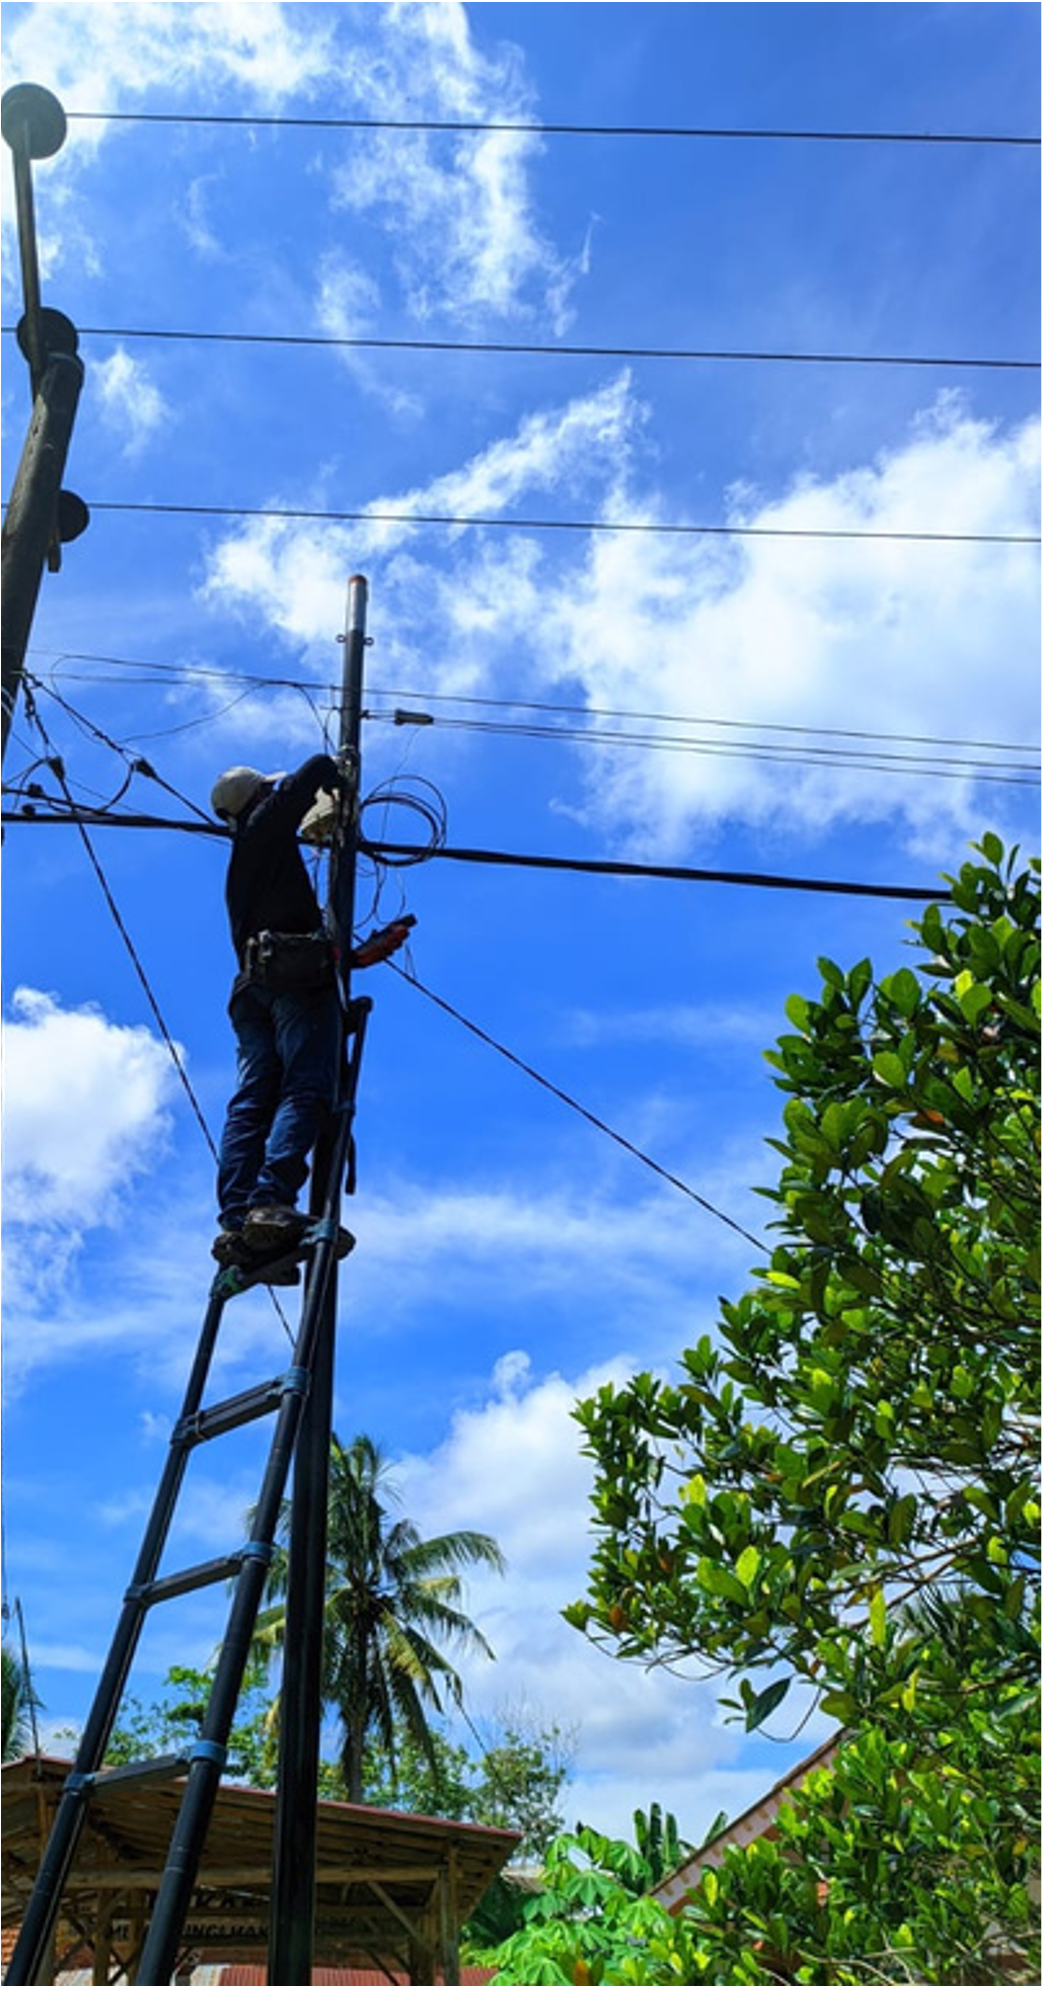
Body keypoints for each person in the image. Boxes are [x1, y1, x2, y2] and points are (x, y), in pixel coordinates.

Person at [210, 755, 352, 1273]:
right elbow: (310, 771)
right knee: (304, 1086)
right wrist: (337, 772)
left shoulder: (248, 860)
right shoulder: (264, 823)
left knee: (252, 1100)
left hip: (254, 988)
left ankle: (237, 1217)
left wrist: (360, 954)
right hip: (290, 983)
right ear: (256, 798)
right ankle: (270, 1202)